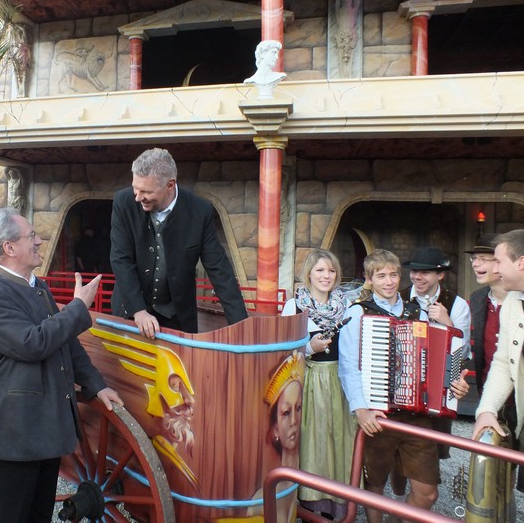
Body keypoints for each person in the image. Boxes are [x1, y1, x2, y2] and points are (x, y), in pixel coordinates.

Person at [0, 207, 122, 523]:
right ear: (9, 247)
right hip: (12, 433)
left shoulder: (36, 286)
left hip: (43, 429)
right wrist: (79, 307)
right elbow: (32, 343)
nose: (39, 240)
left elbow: (65, 343)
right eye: (32, 235)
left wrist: (97, 385)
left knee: (37, 516)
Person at [338, 249, 469, 523]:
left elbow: (436, 359)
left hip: (417, 416)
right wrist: (361, 409)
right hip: (378, 413)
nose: (388, 281)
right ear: (369, 279)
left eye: (393, 275)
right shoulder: (358, 313)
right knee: (374, 486)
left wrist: (451, 387)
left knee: (428, 493)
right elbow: (349, 365)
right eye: (381, 276)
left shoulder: (417, 312)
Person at [110, 148, 248, 337]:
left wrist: (243, 328)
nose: (137, 197)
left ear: (170, 184)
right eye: (135, 188)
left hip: (177, 318)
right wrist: (138, 311)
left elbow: (219, 270)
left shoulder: (200, 211)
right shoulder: (123, 202)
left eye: (146, 191)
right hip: (130, 313)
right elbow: (120, 259)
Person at [473, 229, 524, 523]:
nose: (493, 269)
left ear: (521, 262)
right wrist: (486, 410)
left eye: (498, 261)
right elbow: (502, 364)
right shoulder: (512, 304)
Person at [280, 249, 354, 520]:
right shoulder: (294, 306)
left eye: (331, 271)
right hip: (307, 383)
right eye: (320, 270)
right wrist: (309, 347)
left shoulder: (348, 306)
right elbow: (282, 350)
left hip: (340, 382)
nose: (326, 276)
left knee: (338, 441)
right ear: (309, 273)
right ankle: (308, 505)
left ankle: (336, 505)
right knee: (311, 444)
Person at [245, 352, 305, 523]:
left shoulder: (299, 483)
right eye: (286, 413)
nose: (294, 421)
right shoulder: (261, 499)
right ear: (275, 429)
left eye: (299, 408)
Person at [466, 234, 517, 434]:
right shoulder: (478, 298)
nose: (475, 264)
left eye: (483, 259)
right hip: (490, 396)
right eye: (474, 259)